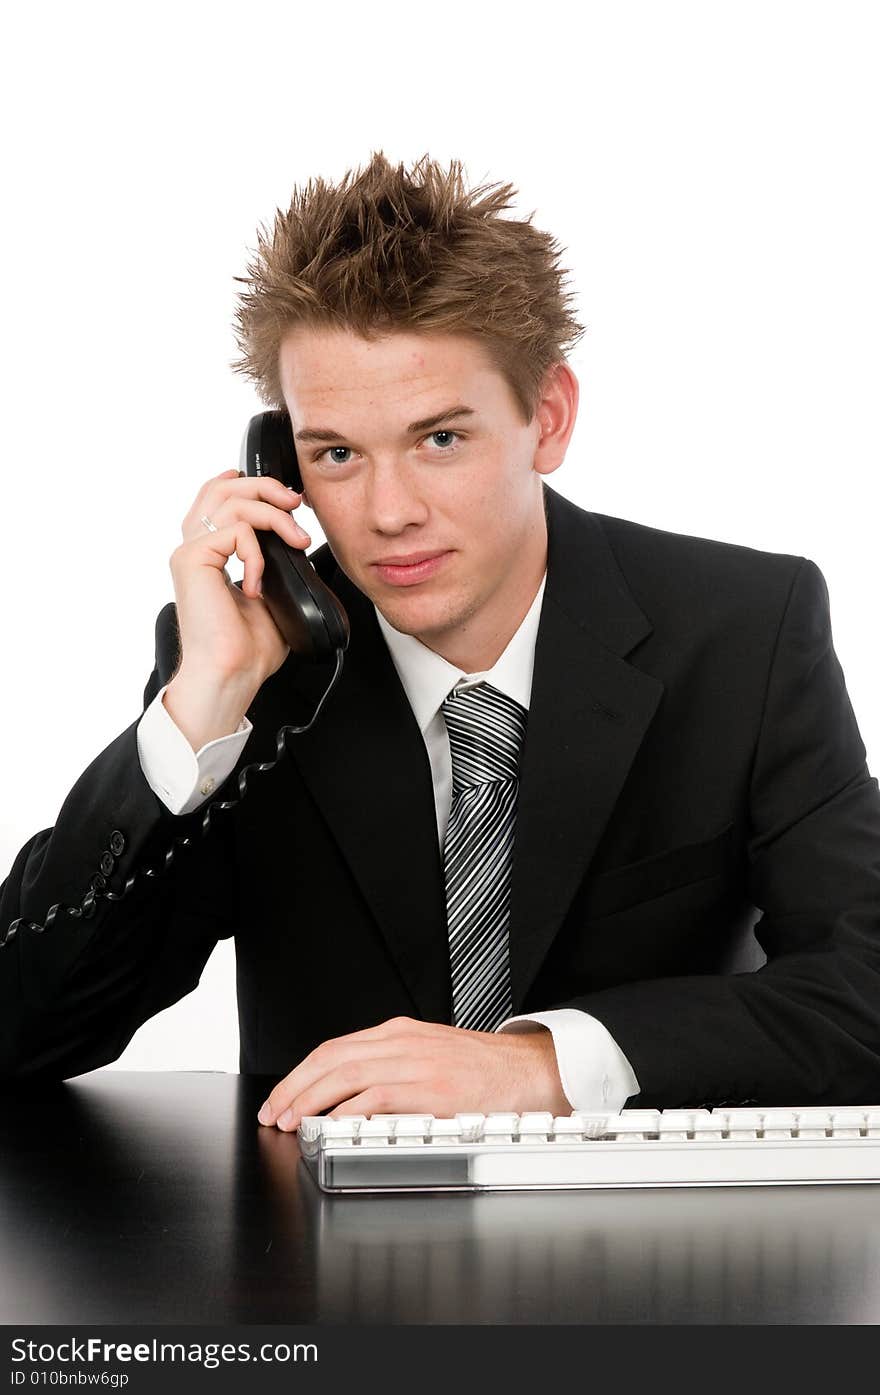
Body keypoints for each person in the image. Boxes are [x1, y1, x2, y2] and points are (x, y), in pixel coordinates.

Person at [2, 153, 879, 1133]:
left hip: (655, 1251)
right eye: (335, 453)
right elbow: (22, 1034)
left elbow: (864, 993)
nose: (385, 513)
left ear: (545, 418)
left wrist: (541, 1067)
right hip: (316, 1262)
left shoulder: (743, 629)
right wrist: (198, 711)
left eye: (440, 440)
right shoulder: (255, 666)